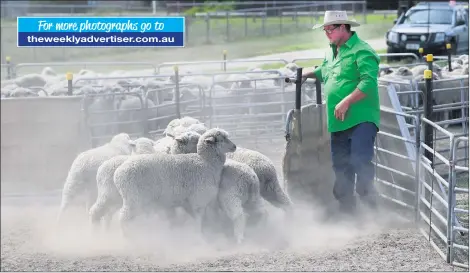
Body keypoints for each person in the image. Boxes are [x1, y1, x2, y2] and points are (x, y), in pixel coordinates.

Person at [302, 11, 381, 214]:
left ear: (344, 27)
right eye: (325, 29)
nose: (327, 32)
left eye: (331, 28)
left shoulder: (362, 51)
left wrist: (346, 101)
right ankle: (348, 213)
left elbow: (368, 82)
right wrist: (307, 74)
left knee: (360, 160)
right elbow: (325, 71)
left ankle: (370, 211)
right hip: (338, 120)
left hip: (361, 118)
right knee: (341, 167)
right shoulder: (331, 52)